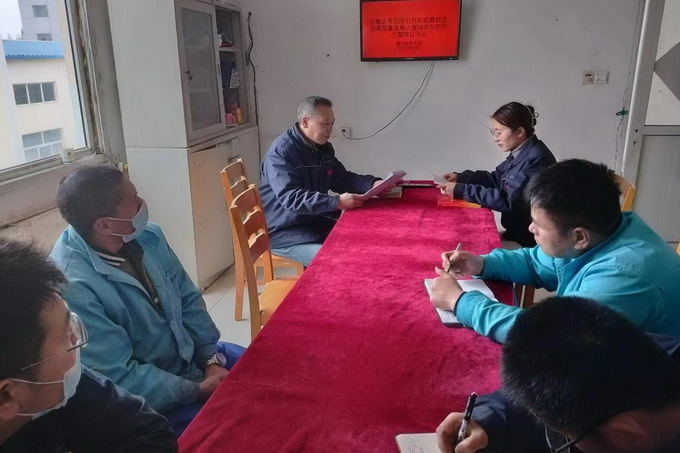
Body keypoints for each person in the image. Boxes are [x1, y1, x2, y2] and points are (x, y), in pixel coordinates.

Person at [50, 165, 245, 436]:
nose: (142, 204)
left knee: (268, 372)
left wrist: (210, 359)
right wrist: (196, 390)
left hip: (193, 361)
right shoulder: (74, 286)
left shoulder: (149, 236)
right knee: (236, 429)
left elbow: (188, 298)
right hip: (151, 400)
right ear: (105, 224)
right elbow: (119, 375)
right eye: (134, 200)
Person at [428, 159, 680, 343]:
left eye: (538, 226)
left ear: (579, 236)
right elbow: (536, 262)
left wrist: (460, 302)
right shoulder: (605, 229)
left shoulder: (625, 276)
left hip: (647, 387)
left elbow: (548, 336)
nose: (530, 228)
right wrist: (481, 264)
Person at [435, 297, 680, 453]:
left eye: (565, 438)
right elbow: (551, 390)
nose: (561, 437)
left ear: (628, 432)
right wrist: (487, 420)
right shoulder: (632, 352)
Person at [0, 239, 177, 452]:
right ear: (6, 395)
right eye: (66, 336)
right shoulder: (43, 382)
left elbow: (151, 433)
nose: (78, 341)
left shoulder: (55, 386)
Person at [259, 96, 388, 266]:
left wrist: (373, 184)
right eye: (325, 123)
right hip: (285, 231)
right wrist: (336, 202)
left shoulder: (322, 148)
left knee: (365, 236)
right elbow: (291, 198)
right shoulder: (281, 153)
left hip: (313, 220)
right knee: (337, 261)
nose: (330, 130)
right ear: (305, 122)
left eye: (332, 124)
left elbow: (340, 178)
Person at [437, 101, 556, 247]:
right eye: (493, 133)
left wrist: (460, 190)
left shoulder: (536, 159)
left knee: (469, 248)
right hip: (516, 233)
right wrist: (462, 178)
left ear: (519, 132)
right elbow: (495, 180)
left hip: (531, 242)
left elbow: (507, 200)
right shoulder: (522, 152)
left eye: (498, 133)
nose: (495, 138)